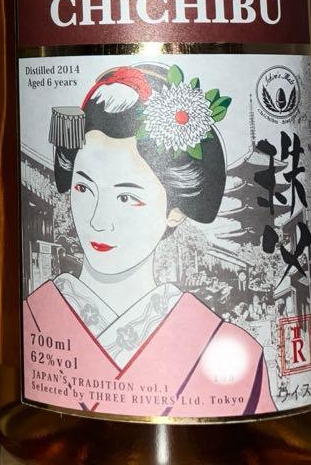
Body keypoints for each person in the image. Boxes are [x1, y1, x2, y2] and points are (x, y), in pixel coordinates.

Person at [26, 62, 275, 417]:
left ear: (176, 211)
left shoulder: (232, 349)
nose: (98, 221)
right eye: (83, 188)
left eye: (127, 197)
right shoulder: (30, 320)